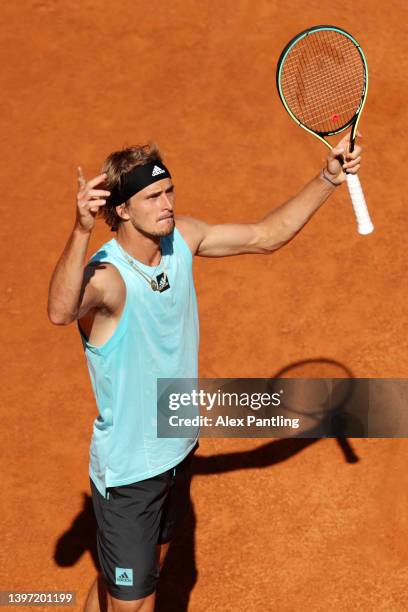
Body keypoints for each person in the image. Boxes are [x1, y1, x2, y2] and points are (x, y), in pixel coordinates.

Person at [47, 135, 363, 612]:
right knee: (134, 602)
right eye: (153, 197)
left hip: (177, 449)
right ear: (124, 211)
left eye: (169, 191)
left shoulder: (182, 241)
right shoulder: (109, 279)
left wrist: (327, 179)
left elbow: (265, 236)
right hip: (130, 474)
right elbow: (59, 310)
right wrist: (79, 230)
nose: (168, 204)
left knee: (126, 577)